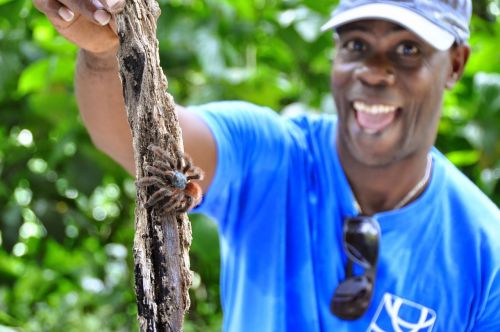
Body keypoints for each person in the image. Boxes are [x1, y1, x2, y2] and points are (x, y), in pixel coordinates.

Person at [34, 0, 500, 331]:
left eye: (407, 50)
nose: (374, 71)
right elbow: (134, 141)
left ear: (456, 63)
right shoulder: (274, 155)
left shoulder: (485, 252)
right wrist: (103, 51)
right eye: (356, 44)